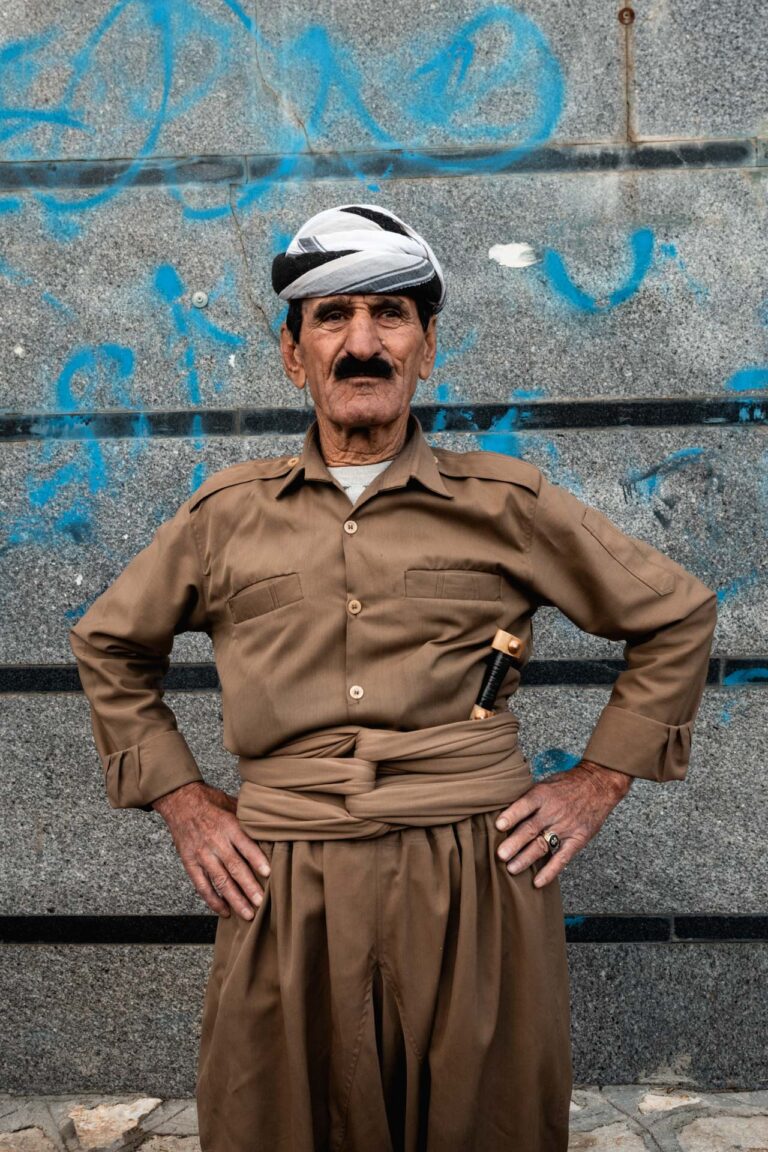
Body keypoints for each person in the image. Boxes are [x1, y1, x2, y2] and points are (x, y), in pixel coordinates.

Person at [70, 204, 718, 1152]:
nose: (361, 344)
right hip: (282, 874)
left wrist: (598, 780)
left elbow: (675, 616)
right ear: (294, 356)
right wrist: (184, 803)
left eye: (390, 317)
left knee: (481, 1118)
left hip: (474, 870)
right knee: (271, 1118)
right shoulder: (225, 516)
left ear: (426, 349)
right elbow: (110, 646)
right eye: (331, 318)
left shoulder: (505, 502)